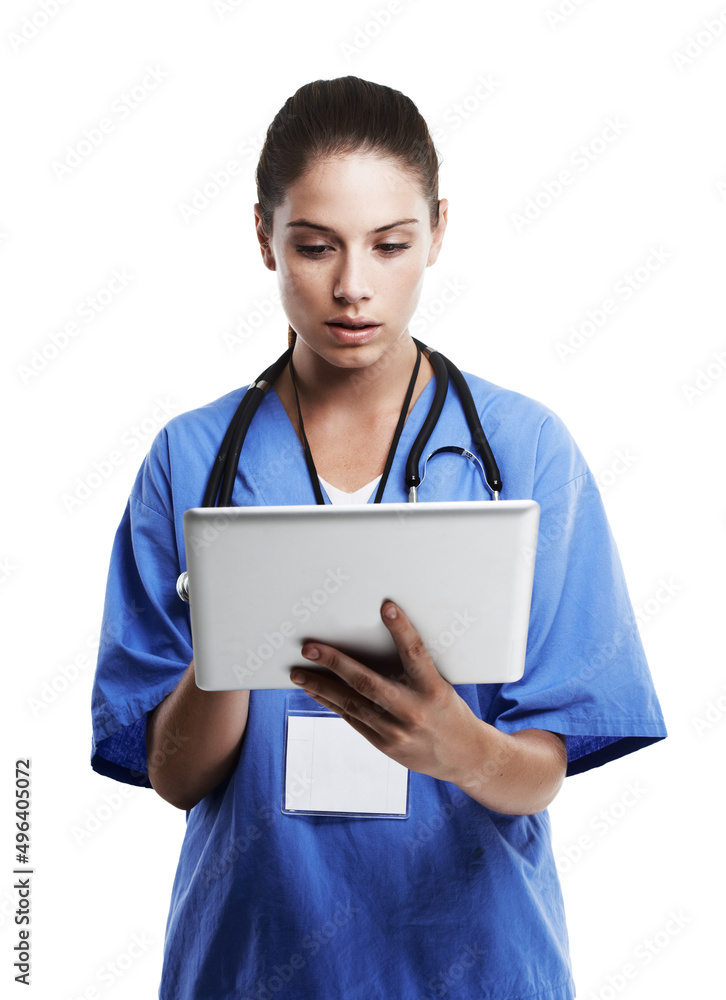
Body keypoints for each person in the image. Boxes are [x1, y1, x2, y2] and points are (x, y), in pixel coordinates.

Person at [90, 75, 668, 1000]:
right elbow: (175, 776)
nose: (353, 286)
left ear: (438, 231)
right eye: (314, 246)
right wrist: (233, 640)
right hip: (251, 958)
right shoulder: (191, 458)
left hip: (470, 963)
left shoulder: (524, 453)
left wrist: (457, 744)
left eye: (390, 245)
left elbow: (545, 767)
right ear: (262, 237)